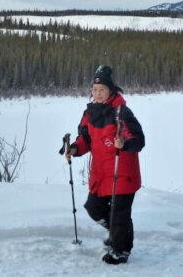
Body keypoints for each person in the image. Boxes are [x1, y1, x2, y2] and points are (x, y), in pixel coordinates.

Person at [66, 65, 145, 265]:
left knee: (118, 214)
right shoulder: (89, 113)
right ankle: (121, 230)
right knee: (93, 208)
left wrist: (124, 143)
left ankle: (120, 251)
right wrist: (75, 149)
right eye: (95, 90)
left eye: (102, 90)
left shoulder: (121, 112)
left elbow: (139, 139)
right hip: (101, 174)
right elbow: (85, 139)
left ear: (111, 90)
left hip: (122, 173)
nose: (98, 94)